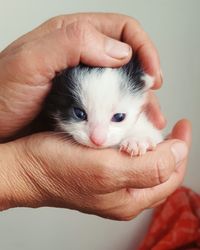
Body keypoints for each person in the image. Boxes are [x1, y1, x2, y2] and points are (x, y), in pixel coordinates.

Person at [0, 13, 191, 220]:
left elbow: (152, 135)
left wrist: (142, 140)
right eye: (80, 114)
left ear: (142, 96)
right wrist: (24, 173)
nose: (97, 138)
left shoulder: (138, 120)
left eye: (118, 117)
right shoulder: (52, 99)